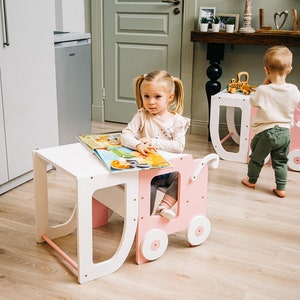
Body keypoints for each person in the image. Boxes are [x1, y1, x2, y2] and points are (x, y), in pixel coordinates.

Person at [121, 70, 190, 219]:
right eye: (146, 96)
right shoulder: (142, 116)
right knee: (147, 186)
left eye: (157, 97)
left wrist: (153, 142)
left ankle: (163, 206)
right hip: (147, 171)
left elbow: (179, 146)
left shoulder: (178, 121)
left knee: (186, 177)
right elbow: (125, 135)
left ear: (170, 97)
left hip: (169, 169)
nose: (151, 102)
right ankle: (143, 221)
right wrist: (138, 145)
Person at [242, 45, 300, 198]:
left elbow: (253, 102)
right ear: (290, 69)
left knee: (256, 158)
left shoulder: (262, 90)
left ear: (266, 70)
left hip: (265, 133)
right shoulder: (294, 90)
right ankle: (281, 188)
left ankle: (251, 180)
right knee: (281, 161)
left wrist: (264, 83)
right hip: (285, 133)